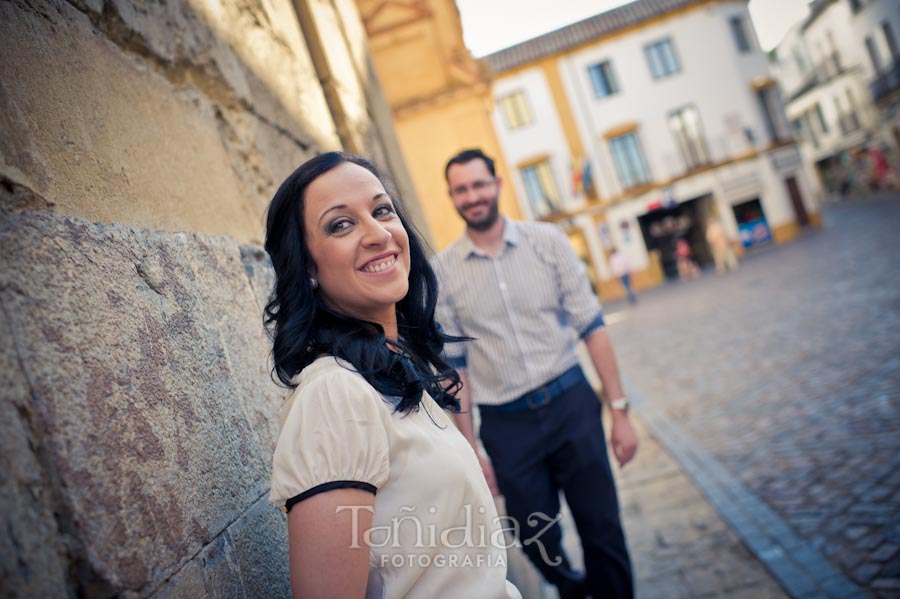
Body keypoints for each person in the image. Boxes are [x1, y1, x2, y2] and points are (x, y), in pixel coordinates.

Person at [264, 152, 521, 599]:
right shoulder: (335, 396)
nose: (379, 234)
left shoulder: (394, 372)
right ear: (307, 268)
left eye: (382, 210)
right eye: (341, 224)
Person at [432, 148, 637, 599]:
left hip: (571, 404)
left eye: (479, 184)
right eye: (461, 189)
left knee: (602, 527)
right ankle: (571, 588)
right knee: (535, 538)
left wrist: (619, 411)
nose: (473, 196)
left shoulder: (549, 243)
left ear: (497, 184)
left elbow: (592, 326)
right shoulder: (442, 272)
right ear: (452, 196)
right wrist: (472, 448)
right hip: (507, 425)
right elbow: (455, 368)